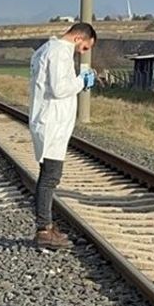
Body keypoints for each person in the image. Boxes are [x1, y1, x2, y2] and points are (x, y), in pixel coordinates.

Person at [28, 22, 97, 249]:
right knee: (50, 177)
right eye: (85, 47)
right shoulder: (59, 52)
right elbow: (59, 88)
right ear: (79, 38)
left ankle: (46, 225)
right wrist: (82, 81)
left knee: (48, 175)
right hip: (52, 124)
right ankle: (44, 229)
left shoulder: (47, 49)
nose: (83, 53)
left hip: (49, 121)